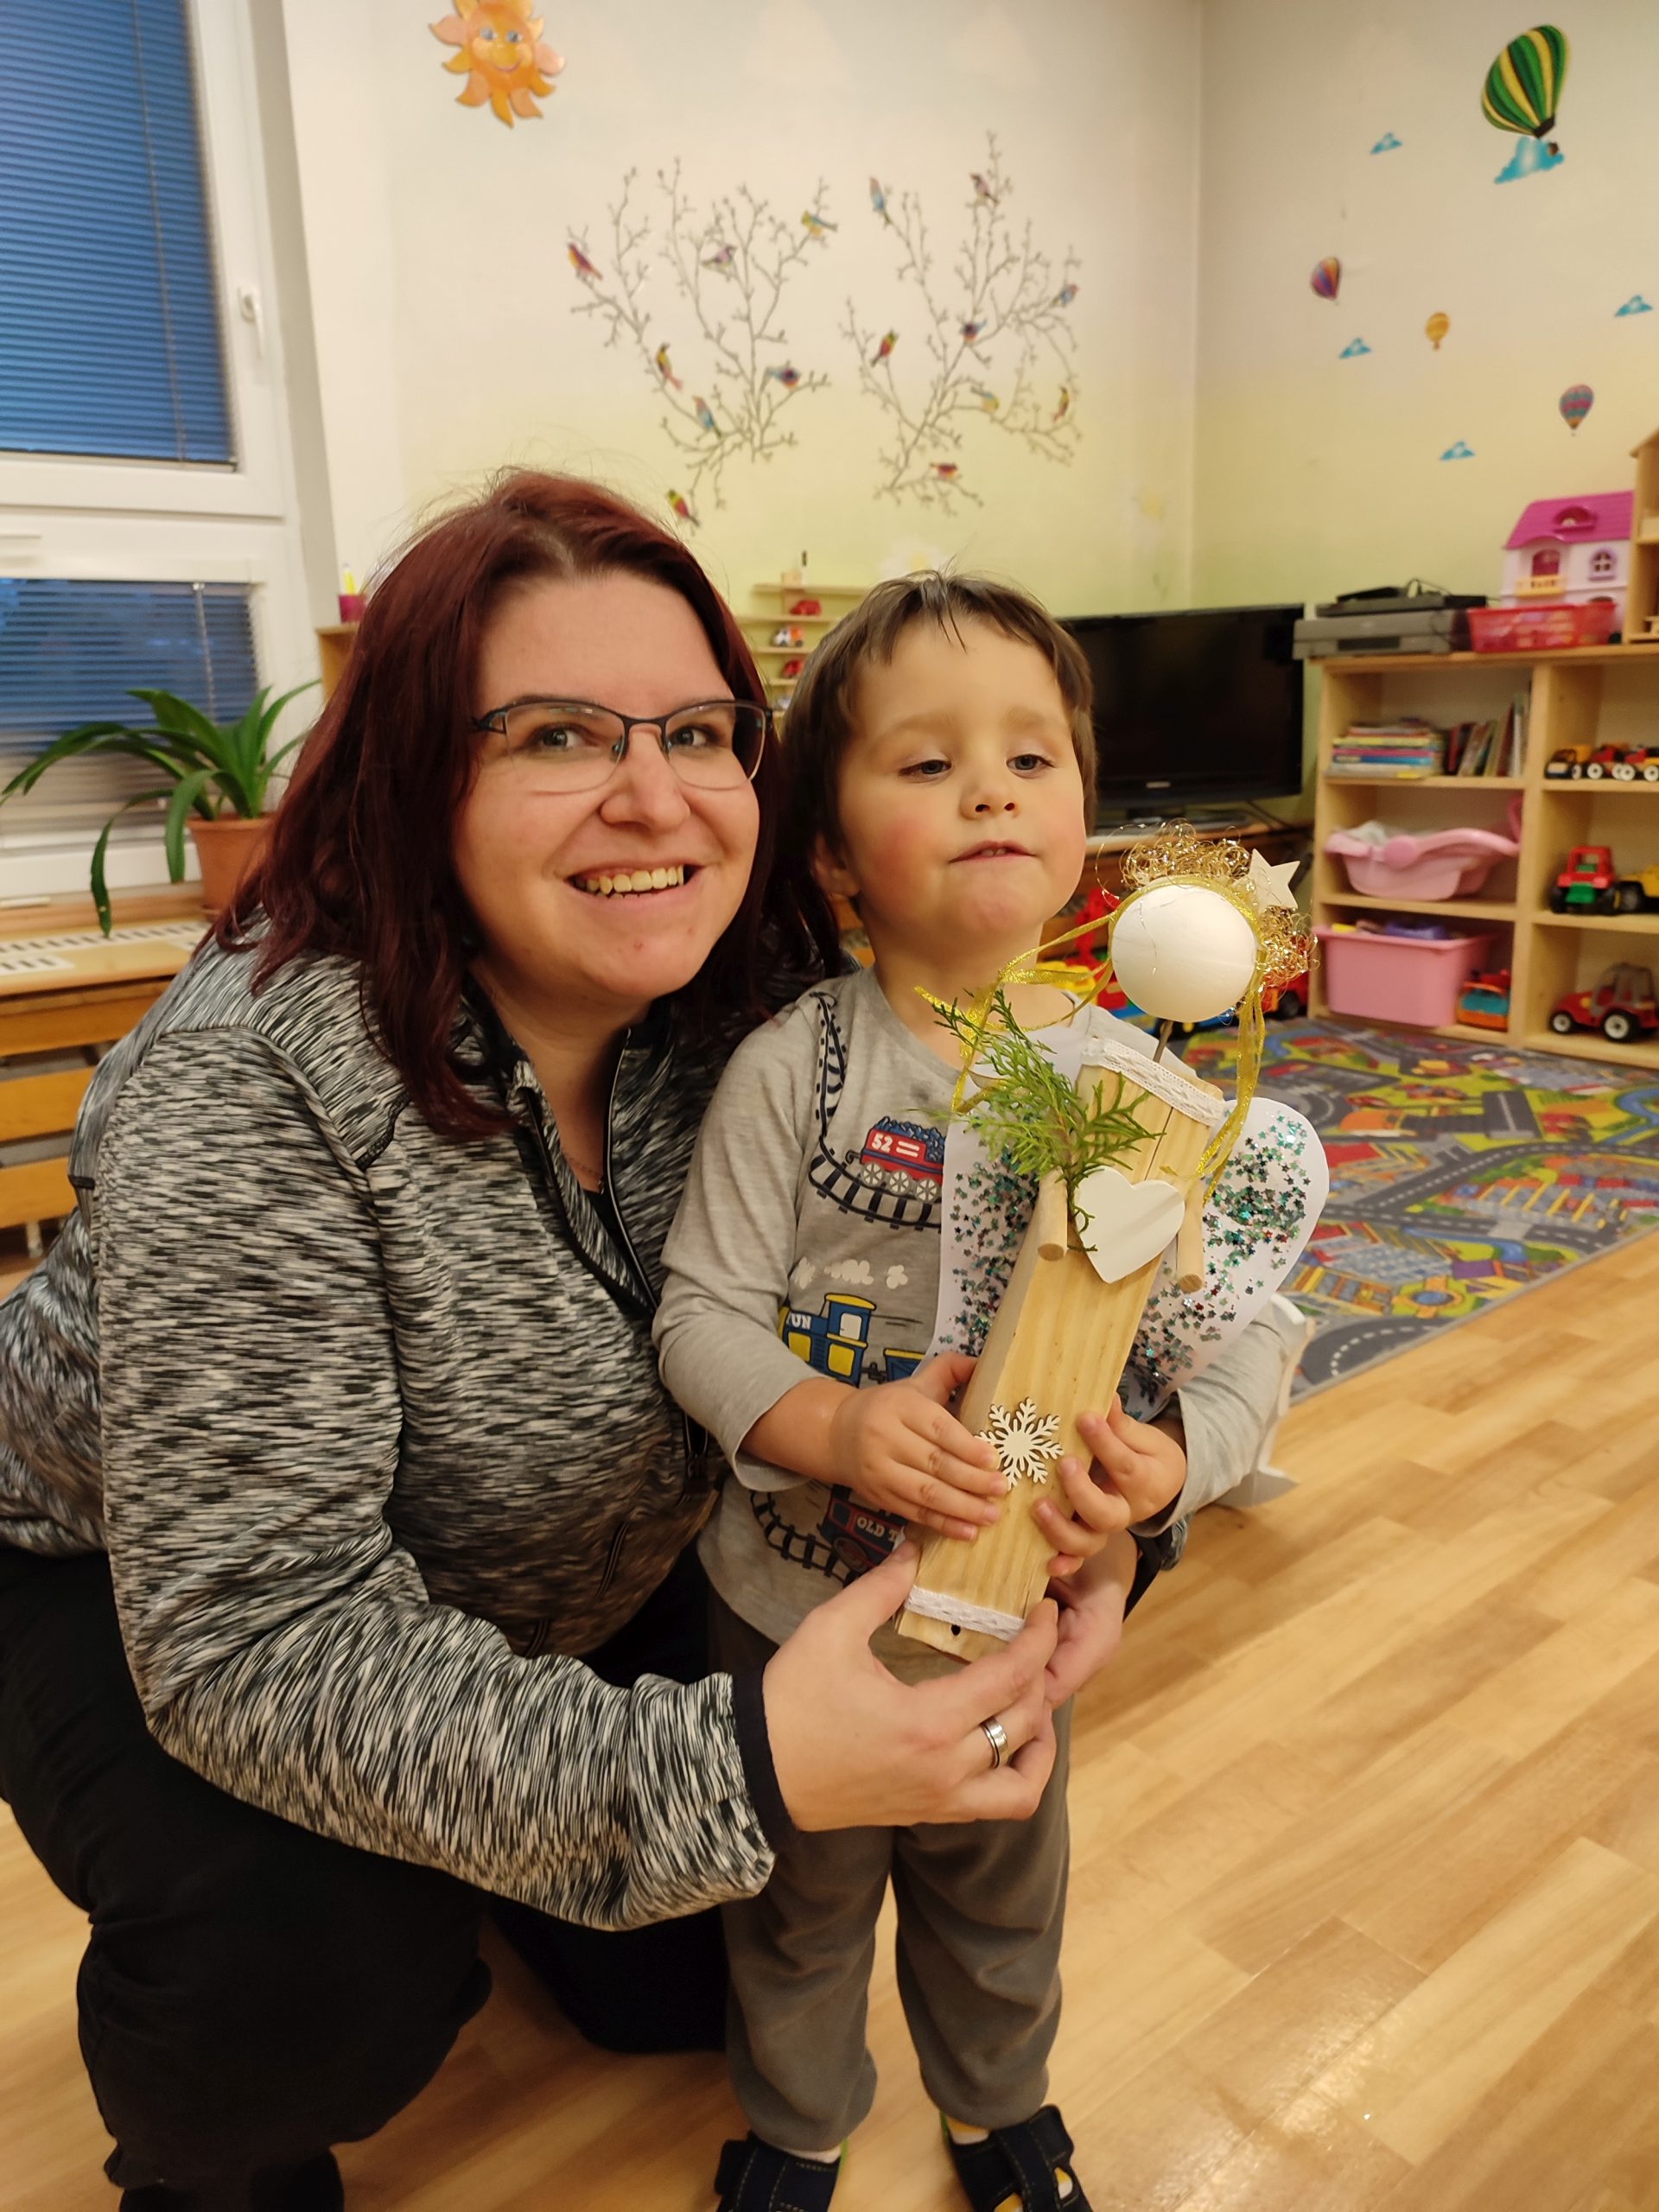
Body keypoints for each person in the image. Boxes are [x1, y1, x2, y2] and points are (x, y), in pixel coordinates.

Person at [0, 481, 1117, 2212]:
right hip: (145, 1581)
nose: (653, 795)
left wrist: (1098, 1523)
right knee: (317, 1973)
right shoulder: (252, 1083)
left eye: (697, 732)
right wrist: (744, 1763)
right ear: (412, 780)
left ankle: (512, 1841)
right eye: (555, 734)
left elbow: (971, 1317)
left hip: (566, 1561)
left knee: (693, 1972)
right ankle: (212, 2158)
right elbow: (253, 1636)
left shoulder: (763, 1003)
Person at [655, 574, 1323, 2212]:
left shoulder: (1143, 1088)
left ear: (1087, 820)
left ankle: (998, 2103)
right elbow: (700, 1318)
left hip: (1017, 1622)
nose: (991, 793)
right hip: (791, 1613)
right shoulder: (794, 1070)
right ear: (831, 852)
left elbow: (1252, 1332)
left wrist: (1174, 1466)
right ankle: (797, 2125)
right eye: (928, 762)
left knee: (1002, 1896)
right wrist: (832, 1425)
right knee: (796, 1910)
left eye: (1032, 758)